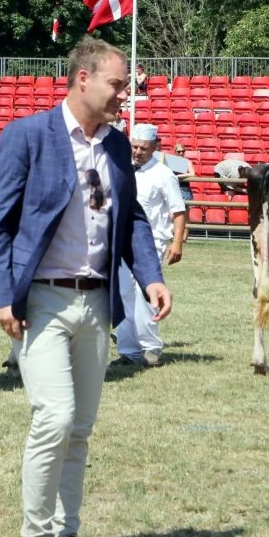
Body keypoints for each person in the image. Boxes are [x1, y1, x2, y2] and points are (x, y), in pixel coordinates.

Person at [0, 37, 171, 537]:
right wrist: (2, 296)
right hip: (40, 300)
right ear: (82, 78)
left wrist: (150, 276)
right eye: (116, 84)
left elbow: (130, 218)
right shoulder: (27, 136)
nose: (123, 94)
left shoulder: (116, 144)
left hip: (97, 305)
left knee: (80, 428)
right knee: (55, 417)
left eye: (126, 85)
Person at [114, 123, 186, 367]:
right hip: (123, 243)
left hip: (151, 243)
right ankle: (128, 349)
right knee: (124, 294)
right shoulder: (124, 170)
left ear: (155, 147)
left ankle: (151, 347)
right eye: (134, 147)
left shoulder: (164, 175)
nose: (137, 152)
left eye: (143, 148)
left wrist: (177, 243)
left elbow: (178, 210)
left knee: (145, 296)